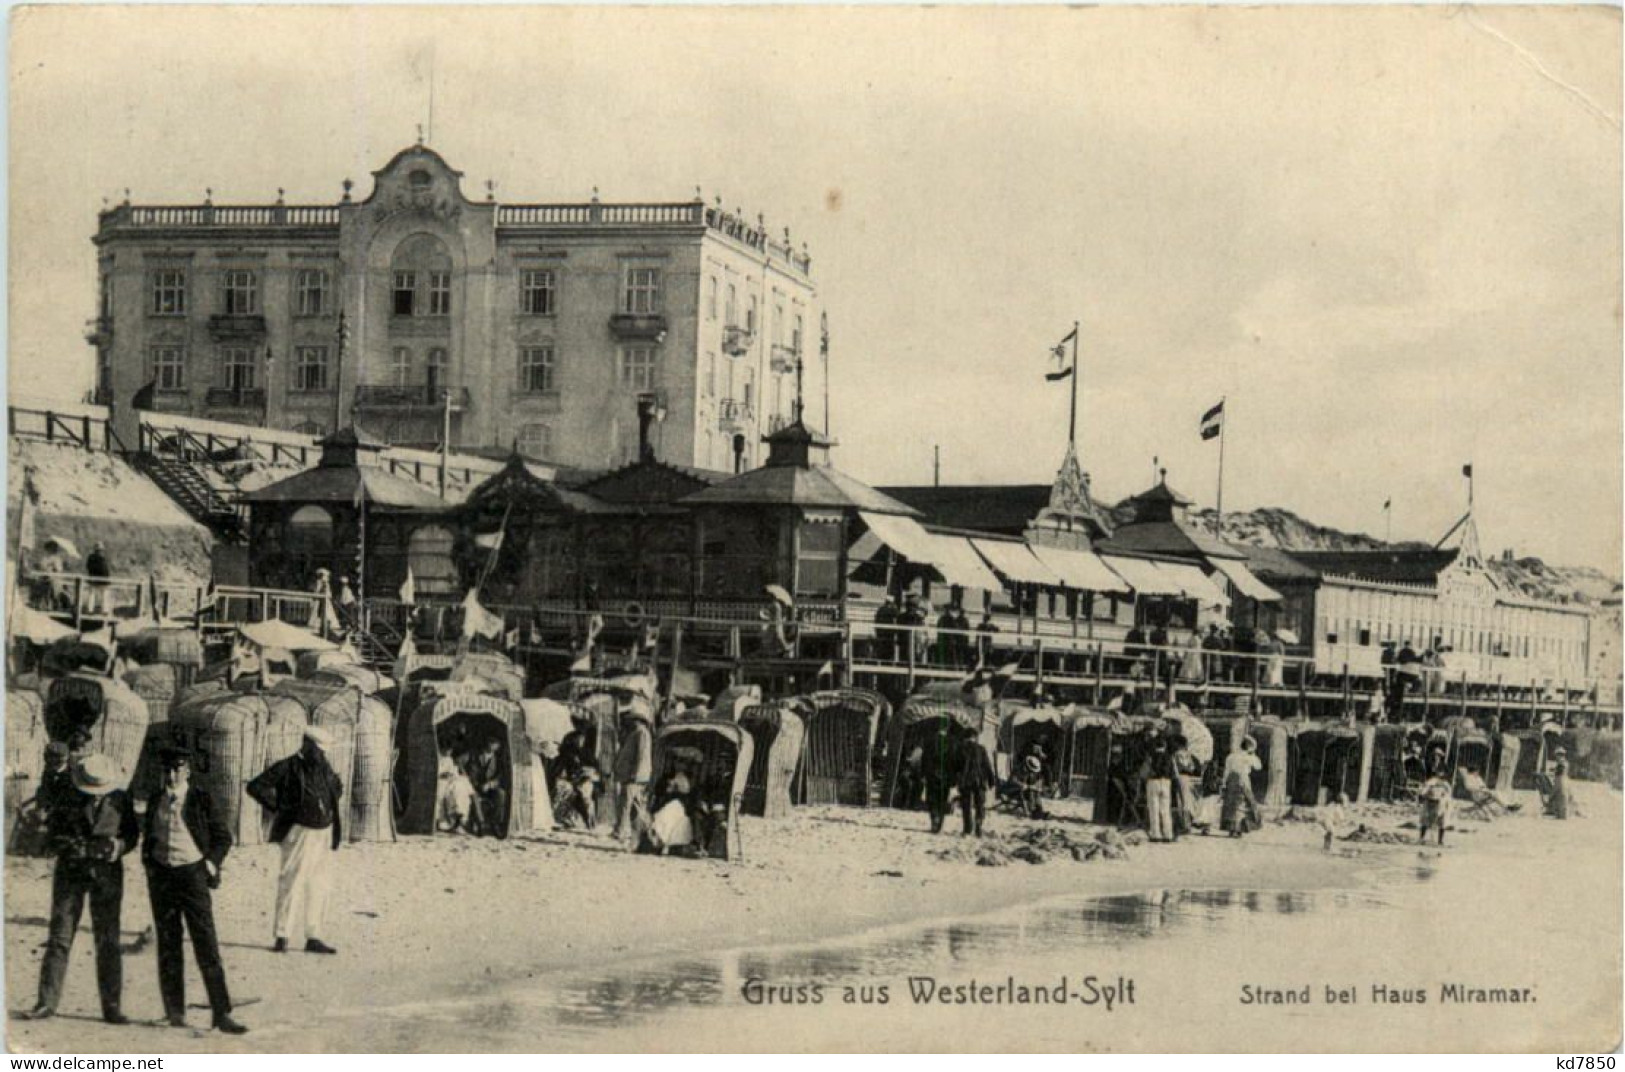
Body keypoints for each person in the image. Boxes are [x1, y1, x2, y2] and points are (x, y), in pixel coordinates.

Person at [23, 753, 138, 1024]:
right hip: (71, 874)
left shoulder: (122, 799)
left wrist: (118, 847)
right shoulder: (67, 797)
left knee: (108, 941)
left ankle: (112, 1008)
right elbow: (52, 837)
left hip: (107, 876)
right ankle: (46, 1003)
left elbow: (132, 835)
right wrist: (75, 847)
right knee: (60, 938)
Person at [140, 746, 248, 1034]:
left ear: (187, 770)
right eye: (167, 769)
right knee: (168, 945)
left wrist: (209, 866)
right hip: (162, 878)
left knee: (206, 945)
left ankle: (221, 1014)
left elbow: (223, 838)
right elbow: (148, 838)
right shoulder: (155, 799)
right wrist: (151, 867)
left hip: (192, 876)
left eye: (177, 769)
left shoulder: (201, 799)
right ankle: (174, 1012)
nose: (172, 775)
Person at [247, 726, 344, 955]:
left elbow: (336, 787)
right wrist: (280, 808)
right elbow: (256, 786)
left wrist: (327, 804)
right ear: (307, 746)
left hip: (324, 832)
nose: (323, 755)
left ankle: (314, 936)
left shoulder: (323, 766)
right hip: (299, 832)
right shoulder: (288, 766)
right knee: (292, 882)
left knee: (319, 884)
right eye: (319, 751)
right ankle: (282, 936)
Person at [611, 709, 653, 846]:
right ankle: (638, 831)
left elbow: (642, 756)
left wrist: (636, 773)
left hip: (634, 776)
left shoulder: (641, 733)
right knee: (634, 806)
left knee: (626, 804)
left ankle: (621, 831)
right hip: (631, 775)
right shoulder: (634, 733)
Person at [554, 713, 599, 829]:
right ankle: (568, 819)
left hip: (586, 774)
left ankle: (589, 821)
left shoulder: (589, 742)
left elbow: (592, 762)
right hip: (572, 772)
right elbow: (562, 756)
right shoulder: (569, 739)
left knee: (585, 795)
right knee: (566, 792)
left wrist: (586, 771)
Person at [645, 764, 697, 855]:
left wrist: (676, 787)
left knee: (671, 820)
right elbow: (663, 792)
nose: (679, 766)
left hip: (679, 804)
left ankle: (666, 845)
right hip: (670, 803)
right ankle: (660, 843)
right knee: (663, 817)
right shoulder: (668, 777)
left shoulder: (687, 779)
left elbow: (686, 792)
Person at [464, 737, 508, 839]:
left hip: (488, 788)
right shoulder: (473, 754)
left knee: (501, 794)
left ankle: (495, 824)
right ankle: (481, 824)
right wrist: (466, 776)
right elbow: (458, 762)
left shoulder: (498, 759)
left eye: (495, 744)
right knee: (474, 796)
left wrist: (490, 784)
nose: (492, 746)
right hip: (473, 786)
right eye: (491, 743)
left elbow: (500, 776)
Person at [956, 731, 996, 837]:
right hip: (980, 781)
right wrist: (992, 780)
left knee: (966, 805)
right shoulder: (981, 749)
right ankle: (978, 825)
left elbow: (955, 766)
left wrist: (955, 780)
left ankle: (967, 829)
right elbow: (987, 765)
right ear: (975, 738)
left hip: (966, 781)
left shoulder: (960, 749)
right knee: (980, 805)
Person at [1220, 737, 1262, 838]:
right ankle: (1238, 829)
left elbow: (1226, 771)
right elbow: (1258, 767)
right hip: (1242, 780)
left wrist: (1224, 783)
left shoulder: (1231, 756)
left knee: (1231, 805)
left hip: (1231, 780)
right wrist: (1253, 754)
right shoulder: (1248, 757)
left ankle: (1232, 829)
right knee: (1242, 805)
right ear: (1249, 747)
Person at [921, 721, 957, 833]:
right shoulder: (952, 742)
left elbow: (925, 759)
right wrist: (954, 777)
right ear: (948, 728)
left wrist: (923, 774)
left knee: (932, 799)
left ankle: (934, 821)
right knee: (942, 799)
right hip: (946, 776)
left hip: (932, 775)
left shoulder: (929, 741)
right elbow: (954, 761)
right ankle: (939, 824)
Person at [1144, 737, 1176, 843]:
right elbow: (1175, 773)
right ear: (1165, 746)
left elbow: (1145, 771)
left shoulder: (1150, 757)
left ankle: (1155, 834)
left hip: (1153, 782)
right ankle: (1168, 834)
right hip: (1166, 782)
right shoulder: (1170, 757)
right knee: (1165, 810)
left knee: (1154, 809)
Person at [436, 749, 475, 833]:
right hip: (440, 781)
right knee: (441, 791)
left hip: (450, 782)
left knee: (459, 788)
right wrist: (442, 774)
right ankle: (443, 821)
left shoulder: (449, 759)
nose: (449, 752)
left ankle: (460, 819)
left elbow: (454, 772)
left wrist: (452, 775)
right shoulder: (437, 757)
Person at [1418, 771, 1451, 844]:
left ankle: (1438, 840)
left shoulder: (1443, 784)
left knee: (1440, 821)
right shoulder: (1432, 783)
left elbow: (1422, 793)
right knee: (1427, 820)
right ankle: (1424, 838)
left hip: (1440, 802)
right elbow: (1422, 793)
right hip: (1431, 802)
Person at [1546, 747, 1571, 820]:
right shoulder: (1565, 763)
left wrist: (1549, 798)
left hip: (1561, 786)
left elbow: (1555, 788)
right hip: (1565, 786)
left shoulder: (1561, 765)